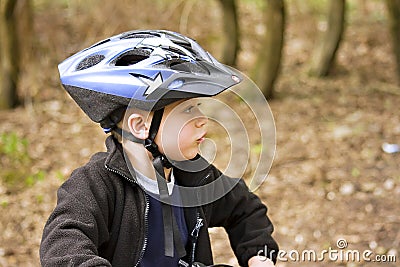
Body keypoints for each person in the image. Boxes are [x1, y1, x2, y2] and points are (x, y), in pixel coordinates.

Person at [40, 30, 279, 267]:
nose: (202, 119)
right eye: (187, 110)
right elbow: (62, 246)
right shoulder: (95, 185)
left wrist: (259, 254)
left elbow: (245, 208)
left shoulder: (195, 175)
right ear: (140, 126)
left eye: (197, 106)